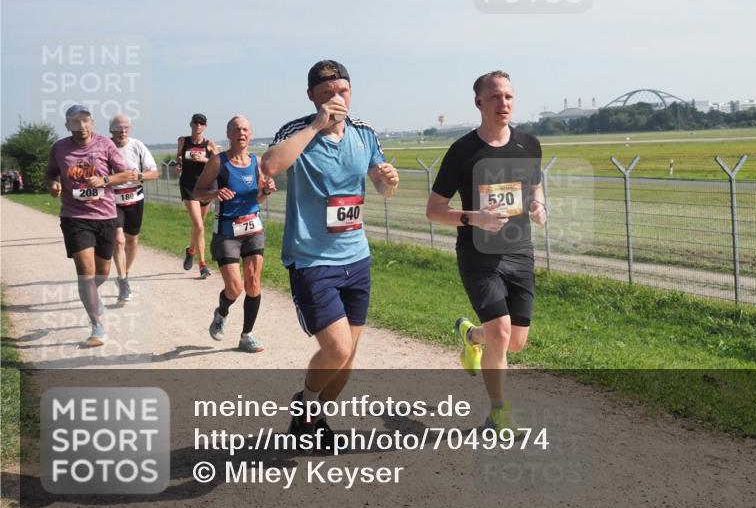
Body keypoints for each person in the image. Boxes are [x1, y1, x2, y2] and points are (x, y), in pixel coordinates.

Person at [261, 60, 398, 438]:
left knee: (348, 358)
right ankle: (305, 403)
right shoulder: (297, 130)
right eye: (326, 94)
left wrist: (388, 180)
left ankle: (313, 421)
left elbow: (381, 186)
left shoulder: (364, 132)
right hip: (312, 260)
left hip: (357, 257)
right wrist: (317, 125)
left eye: (342, 91)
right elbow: (269, 166)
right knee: (336, 349)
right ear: (311, 96)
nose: (336, 99)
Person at [426, 71, 546, 431]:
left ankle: (472, 337)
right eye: (495, 97)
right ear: (479, 102)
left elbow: (535, 188)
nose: (503, 103)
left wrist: (539, 206)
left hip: (519, 251)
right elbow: (434, 211)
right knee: (502, 334)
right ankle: (499, 414)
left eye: (508, 96)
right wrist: (474, 217)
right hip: (478, 255)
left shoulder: (529, 144)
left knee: (515, 343)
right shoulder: (463, 151)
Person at [45, 105, 138, 347]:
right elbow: (50, 173)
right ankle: (97, 326)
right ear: (67, 125)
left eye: (85, 120)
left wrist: (104, 180)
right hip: (75, 217)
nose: (82, 126)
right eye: (76, 122)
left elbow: (126, 174)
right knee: (85, 273)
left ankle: (92, 294)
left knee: (101, 273)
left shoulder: (105, 145)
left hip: (105, 216)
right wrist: (53, 185)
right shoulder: (59, 148)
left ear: (92, 123)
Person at [193, 115, 276, 354]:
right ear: (229, 134)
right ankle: (222, 312)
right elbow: (197, 193)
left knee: (253, 282)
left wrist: (265, 191)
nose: (241, 133)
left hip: (253, 228)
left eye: (245, 130)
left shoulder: (257, 162)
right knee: (235, 288)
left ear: (251, 134)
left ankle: (247, 335)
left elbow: (257, 198)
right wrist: (215, 193)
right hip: (227, 233)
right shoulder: (217, 162)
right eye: (236, 129)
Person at [108, 114, 159, 304]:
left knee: (132, 241)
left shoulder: (137, 146)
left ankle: (124, 274)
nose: (122, 131)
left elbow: (154, 173)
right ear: (111, 129)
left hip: (135, 199)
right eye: (118, 128)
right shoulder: (105, 147)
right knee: (118, 240)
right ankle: (123, 281)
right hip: (112, 201)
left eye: (126, 127)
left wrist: (139, 176)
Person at [176, 113, 219, 279]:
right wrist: (179, 165)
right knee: (199, 226)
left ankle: (191, 250)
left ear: (205, 127)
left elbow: (218, 162)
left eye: (201, 123)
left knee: (198, 226)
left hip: (205, 187)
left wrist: (204, 159)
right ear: (191, 124)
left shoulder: (209, 144)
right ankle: (202, 265)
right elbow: (179, 157)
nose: (198, 126)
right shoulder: (183, 141)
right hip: (188, 187)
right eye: (195, 123)